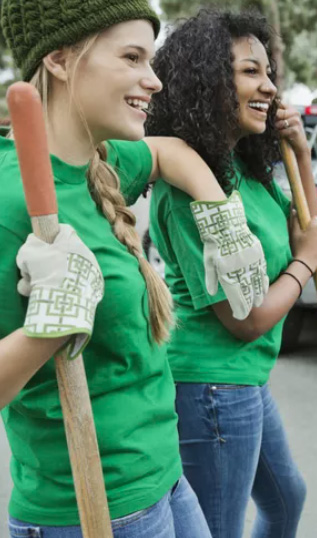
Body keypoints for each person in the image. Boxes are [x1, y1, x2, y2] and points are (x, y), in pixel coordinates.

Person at [0, 1, 268, 536]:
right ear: (59, 58)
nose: (155, 81)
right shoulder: (10, 201)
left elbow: (170, 150)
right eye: (132, 58)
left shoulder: (105, 163)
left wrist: (222, 215)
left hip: (164, 478)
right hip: (92, 507)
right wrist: (46, 328)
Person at [147, 9, 317, 538]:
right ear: (207, 79)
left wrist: (299, 151)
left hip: (245, 377)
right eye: (251, 72)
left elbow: (305, 230)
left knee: (286, 499)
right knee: (219, 528)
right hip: (212, 386)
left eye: (269, 73)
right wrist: (303, 264)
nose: (269, 86)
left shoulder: (242, 169)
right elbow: (246, 319)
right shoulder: (189, 190)